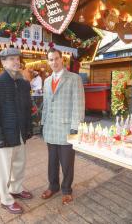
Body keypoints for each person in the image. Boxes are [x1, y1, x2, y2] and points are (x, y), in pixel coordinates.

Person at [0, 48, 33, 214]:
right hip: (4, 135)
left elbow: (27, 108)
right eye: (11, 59)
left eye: (17, 58)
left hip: (19, 132)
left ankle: (16, 189)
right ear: (3, 62)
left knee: (19, 164)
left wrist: (28, 128)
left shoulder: (23, 83)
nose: (16, 62)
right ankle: (6, 199)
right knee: (4, 169)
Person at [41, 48, 85, 205]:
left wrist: (75, 127)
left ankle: (66, 189)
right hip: (50, 128)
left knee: (67, 162)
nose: (54, 62)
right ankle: (53, 186)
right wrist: (42, 123)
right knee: (51, 161)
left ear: (62, 59)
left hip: (67, 128)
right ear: (48, 62)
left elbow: (78, 105)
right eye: (51, 59)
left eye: (56, 58)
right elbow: (46, 104)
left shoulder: (74, 79)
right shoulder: (46, 81)